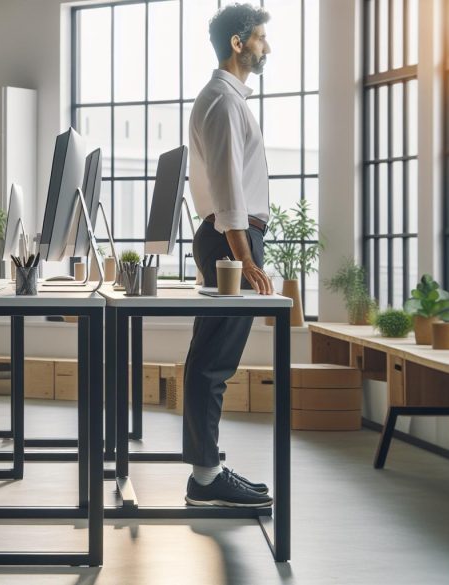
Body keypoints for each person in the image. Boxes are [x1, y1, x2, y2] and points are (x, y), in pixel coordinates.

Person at [183, 4, 275, 508]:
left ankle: (207, 467)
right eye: (259, 38)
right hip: (230, 242)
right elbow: (229, 195)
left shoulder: (230, 98)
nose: (266, 46)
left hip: (231, 241)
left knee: (211, 360)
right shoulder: (221, 100)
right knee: (213, 364)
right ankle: (204, 478)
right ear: (238, 43)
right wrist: (247, 261)